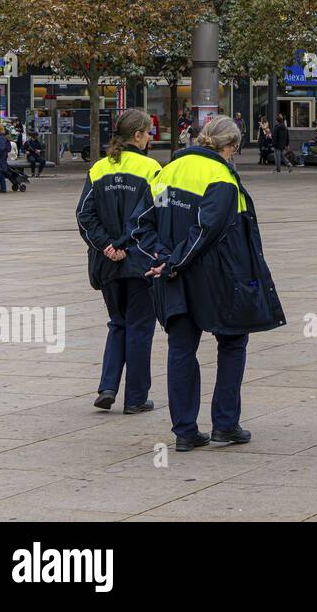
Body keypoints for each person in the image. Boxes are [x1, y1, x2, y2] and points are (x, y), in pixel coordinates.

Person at [130, 115, 286, 452]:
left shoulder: (166, 171)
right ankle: (225, 424)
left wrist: (161, 259)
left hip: (173, 278)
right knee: (232, 343)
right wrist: (172, 262)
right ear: (230, 147)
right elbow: (206, 231)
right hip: (216, 279)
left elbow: (140, 224)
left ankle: (185, 431)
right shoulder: (221, 177)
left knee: (181, 348)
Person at [76, 109, 162, 414]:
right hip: (140, 262)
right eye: (148, 132)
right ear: (136, 136)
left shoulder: (99, 168)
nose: (151, 137)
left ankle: (108, 386)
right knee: (140, 328)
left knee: (118, 324)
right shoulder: (151, 168)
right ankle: (137, 398)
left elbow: (84, 215)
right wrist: (125, 245)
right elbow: (153, 216)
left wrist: (107, 246)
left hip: (107, 263)